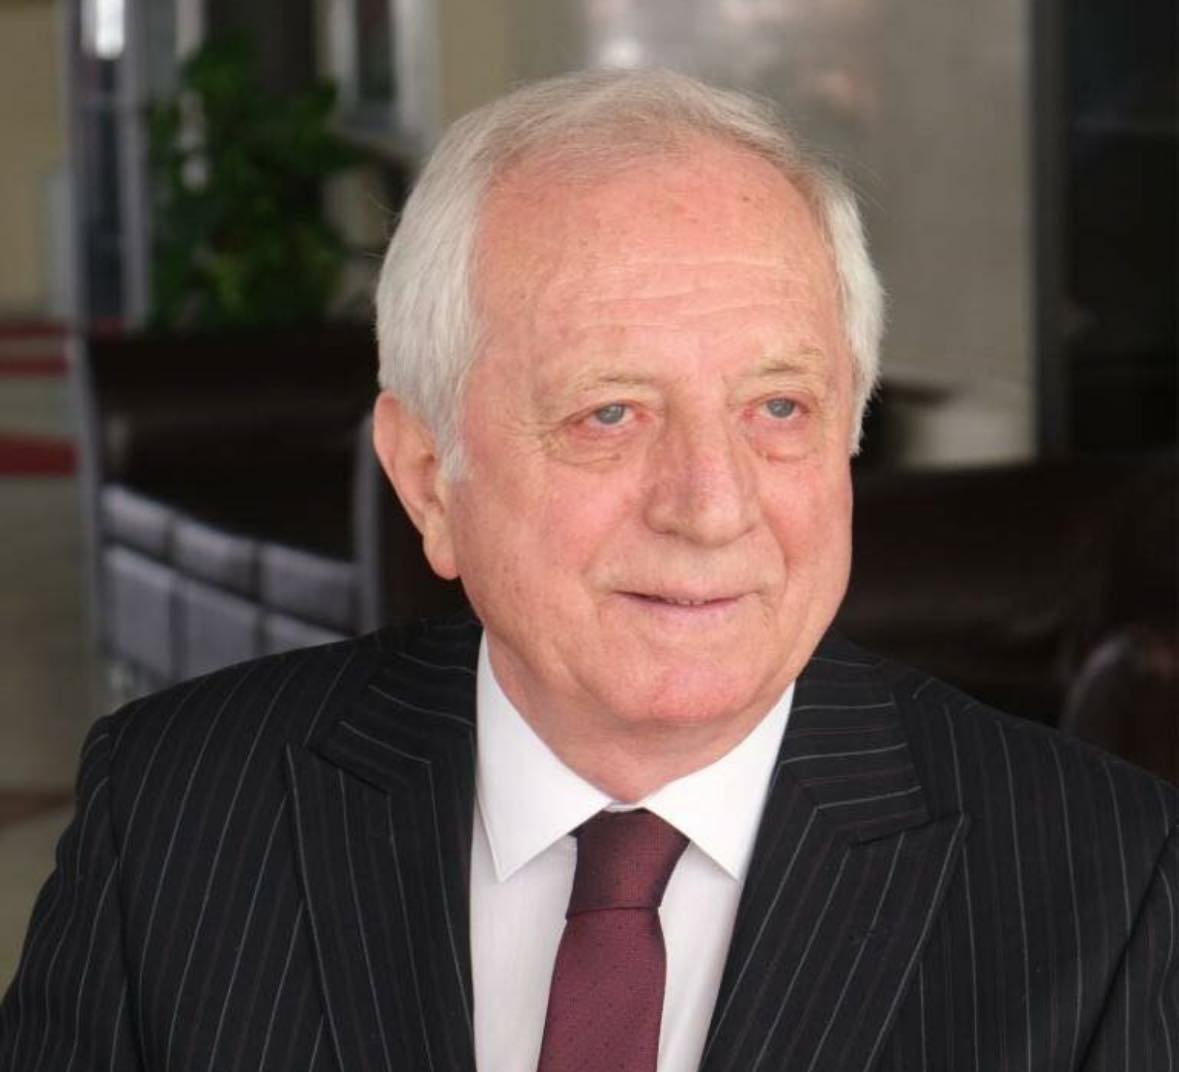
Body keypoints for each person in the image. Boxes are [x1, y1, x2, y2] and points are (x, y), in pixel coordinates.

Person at [2, 68, 1175, 1072]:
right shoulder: (171, 815)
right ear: (429, 479)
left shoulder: (1105, 880)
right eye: (609, 413)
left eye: (779, 406)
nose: (711, 507)